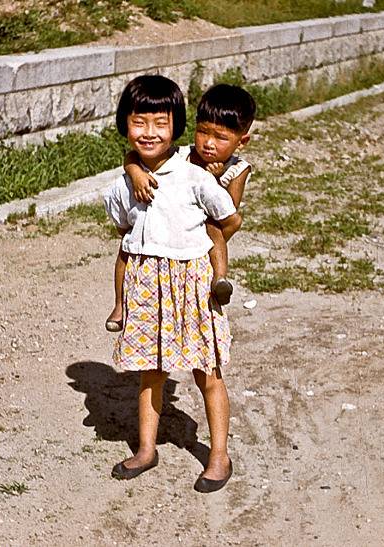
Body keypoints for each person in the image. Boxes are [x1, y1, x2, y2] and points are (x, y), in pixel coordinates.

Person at [103, 74, 242, 493]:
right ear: (124, 125)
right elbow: (123, 227)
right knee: (152, 372)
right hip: (149, 287)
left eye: (160, 123)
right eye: (139, 122)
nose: (149, 132)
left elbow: (229, 217)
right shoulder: (124, 185)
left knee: (207, 372)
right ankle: (147, 449)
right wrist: (133, 170)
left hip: (193, 286)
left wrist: (204, 248)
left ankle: (219, 455)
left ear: (177, 127)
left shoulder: (195, 176)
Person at [105, 83, 255, 332]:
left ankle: (220, 278)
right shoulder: (184, 154)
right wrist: (135, 172)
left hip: (205, 225)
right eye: (203, 132)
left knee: (213, 230)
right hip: (169, 219)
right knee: (128, 245)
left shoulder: (238, 170)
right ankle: (120, 305)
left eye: (220, 138)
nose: (209, 143)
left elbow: (228, 211)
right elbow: (132, 156)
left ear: (242, 141)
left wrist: (214, 180)